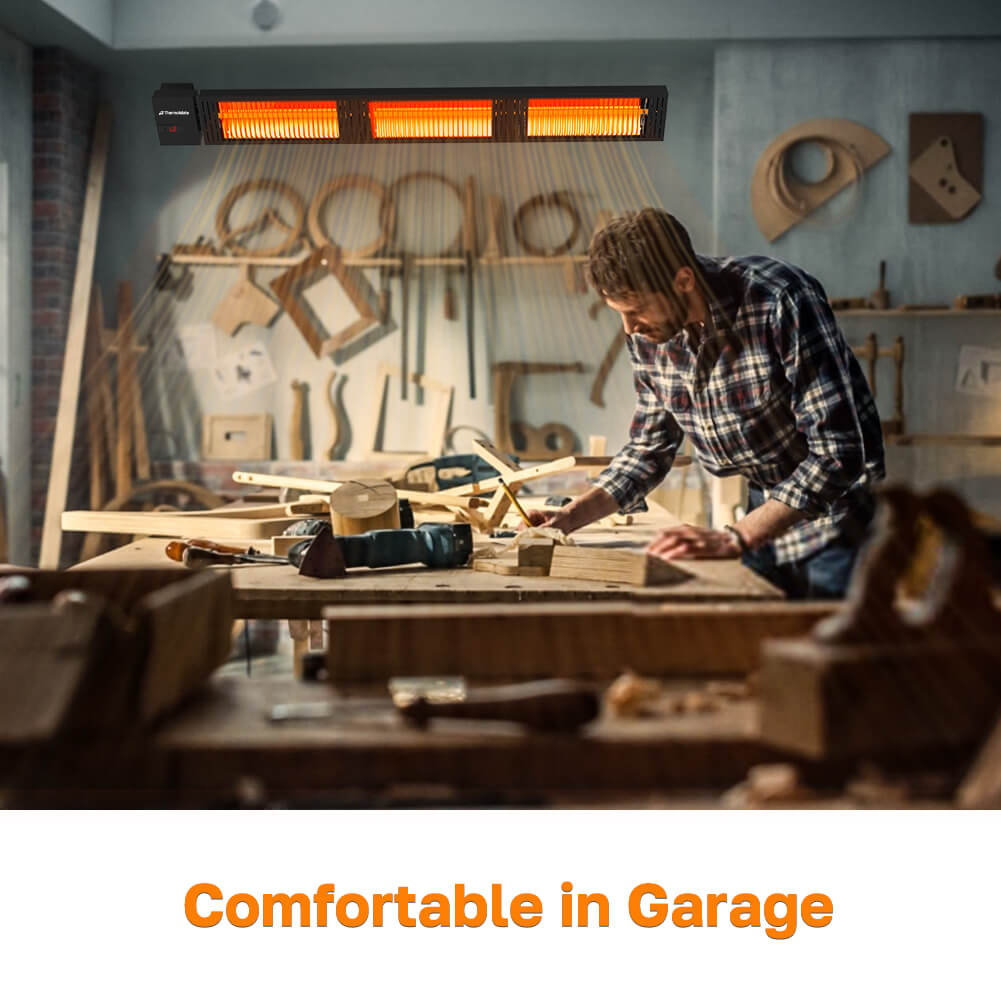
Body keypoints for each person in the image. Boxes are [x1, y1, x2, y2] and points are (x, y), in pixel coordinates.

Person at [527, 208, 885, 599]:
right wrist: (570, 516)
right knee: (758, 620)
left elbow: (837, 454)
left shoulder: (779, 298)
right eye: (621, 315)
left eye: (637, 311)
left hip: (838, 515)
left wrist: (737, 537)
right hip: (766, 499)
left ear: (684, 280)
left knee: (829, 632)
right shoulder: (650, 335)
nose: (629, 328)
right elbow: (648, 448)